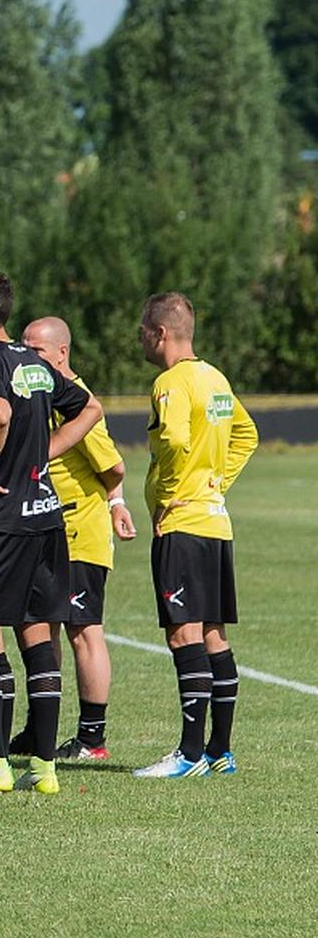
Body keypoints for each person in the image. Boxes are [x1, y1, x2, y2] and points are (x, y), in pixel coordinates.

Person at [0, 269, 102, 796]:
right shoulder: (35, 364)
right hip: (48, 517)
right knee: (39, 635)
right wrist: (44, 454)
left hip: (4, 520)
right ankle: (43, 767)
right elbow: (90, 408)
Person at [132, 292, 257, 779]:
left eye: (144, 330)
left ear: (161, 333)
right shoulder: (215, 378)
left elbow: (177, 439)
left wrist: (170, 493)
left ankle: (187, 755)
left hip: (182, 524)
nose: (140, 338)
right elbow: (247, 434)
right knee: (211, 633)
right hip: (215, 521)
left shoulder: (171, 382)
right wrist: (216, 482)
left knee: (183, 632)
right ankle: (219, 751)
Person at [18, 315, 136, 761]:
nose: (31, 358)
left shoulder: (76, 398)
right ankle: (38, 729)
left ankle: (92, 738)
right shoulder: (40, 392)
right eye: (26, 349)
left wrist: (115, 503)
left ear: (62, 353)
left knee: (83, 631)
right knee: (38, 628)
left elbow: (113, 465)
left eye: (39, 351)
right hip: (45, 527)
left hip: (78, 531)